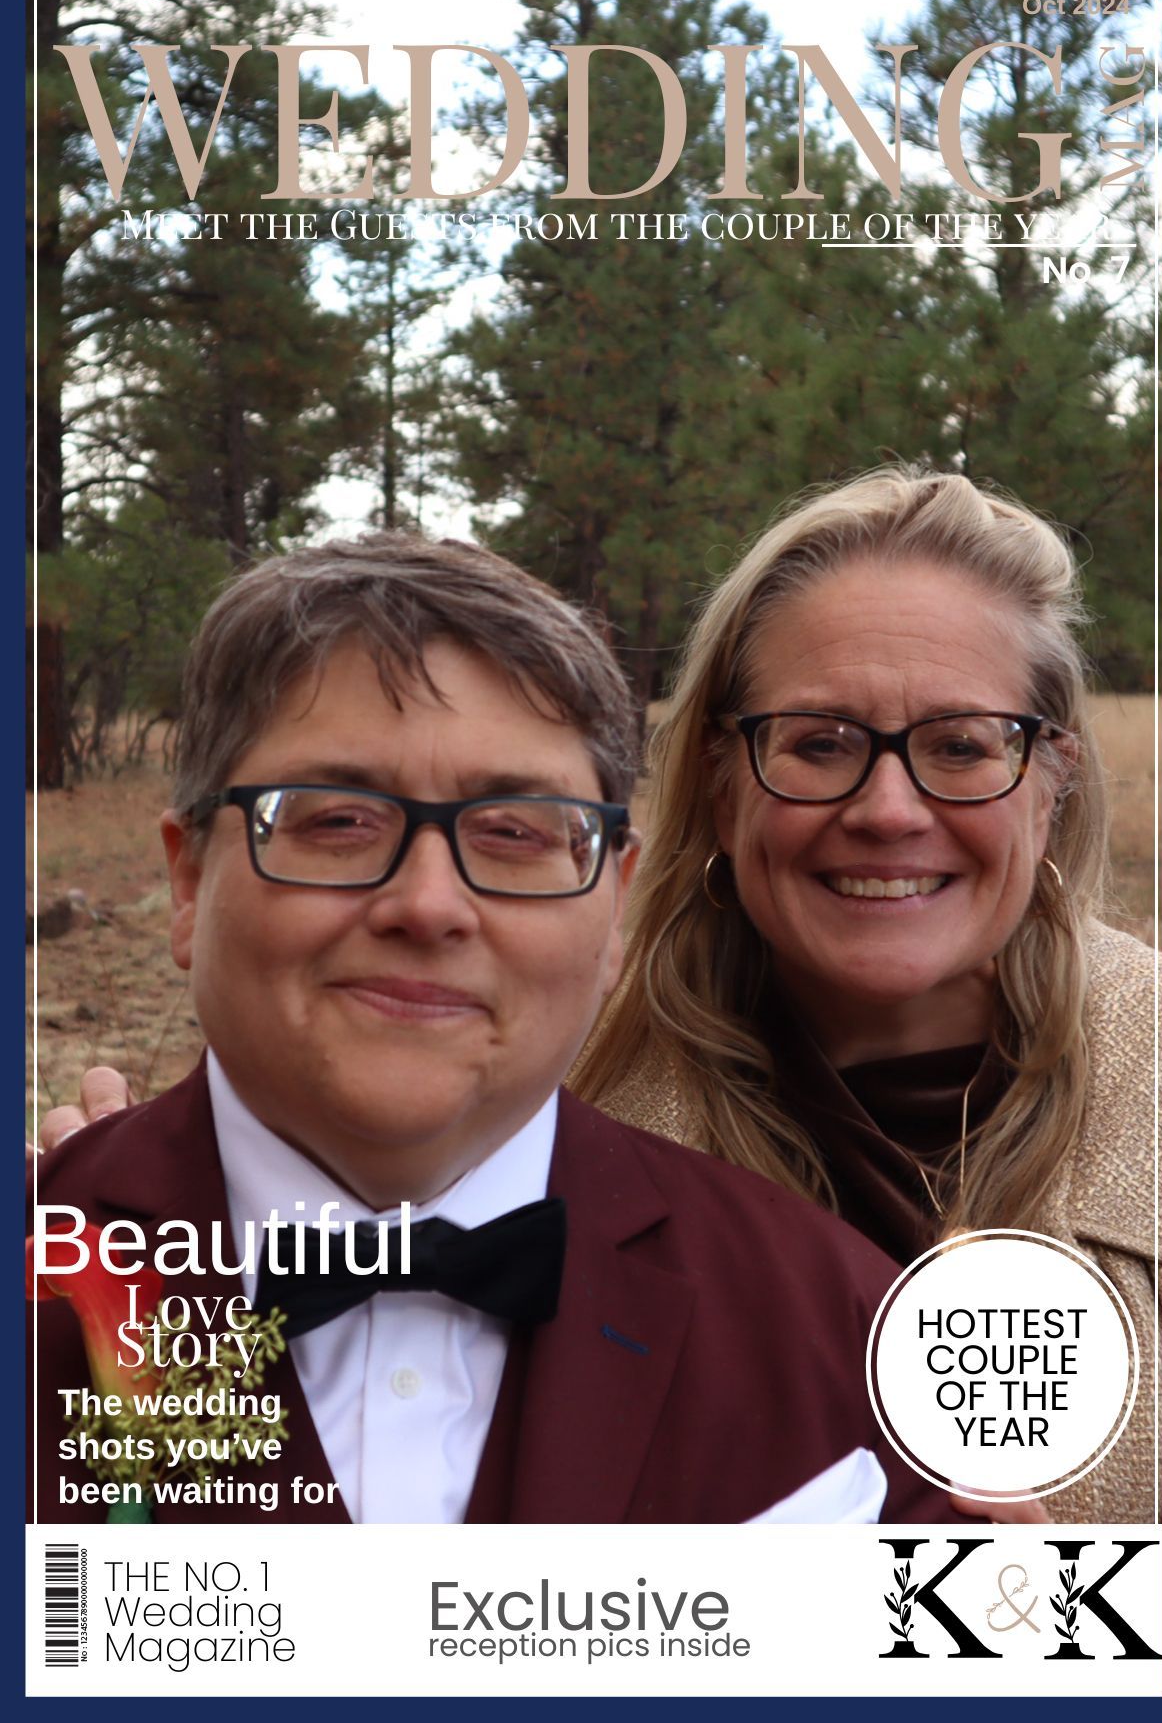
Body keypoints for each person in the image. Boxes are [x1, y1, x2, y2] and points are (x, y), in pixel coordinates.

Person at [29, 533, 955, 1527]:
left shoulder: (841, 1337)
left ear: (615, 909)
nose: (428, 906)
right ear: (189, 882)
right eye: (337, 820)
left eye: (514, 831)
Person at [571, 466, 1162, 1525]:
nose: (889, 811)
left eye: (961, 747)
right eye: (821, 744)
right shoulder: (561, 1153)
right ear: (720, 776)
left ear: (1051, 779)